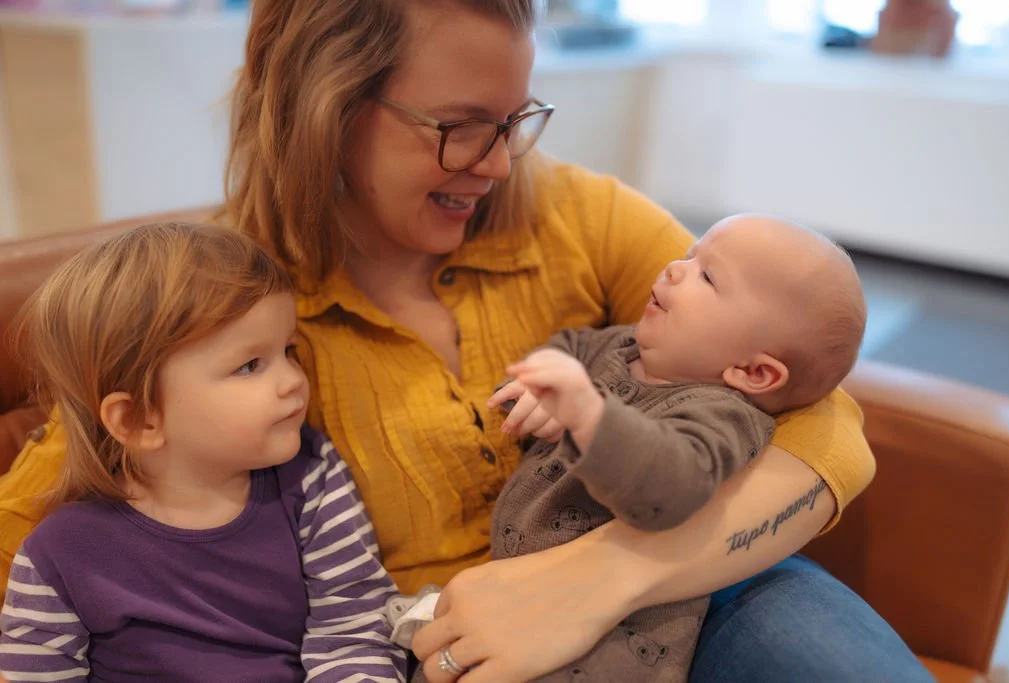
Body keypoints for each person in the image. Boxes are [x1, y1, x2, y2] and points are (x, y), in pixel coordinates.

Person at [0, 1, 933, 681]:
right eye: (457, 128)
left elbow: (825, 419)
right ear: (323, 108)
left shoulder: (579, 217)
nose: (495, 163)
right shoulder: (228, 306)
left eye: (513, 120)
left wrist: (600, 577)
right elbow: (50, 501)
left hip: (703, 583)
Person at [396, 215, 867, 681]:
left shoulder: (723, 418)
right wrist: (539, 384)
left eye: (706, 276)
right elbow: (568, 350)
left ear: (753, 373)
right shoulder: (620, 346)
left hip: (613, 649)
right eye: (689, 255)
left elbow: (669, 487)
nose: (673, 268)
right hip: (499, 606)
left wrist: (589, 416)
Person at [0, 224, 406, 682]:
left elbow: (352, 631)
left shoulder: (312, 478)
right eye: (250, 365)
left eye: (288, 350)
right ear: (139, 419)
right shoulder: (58, 554)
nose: (293, 379)